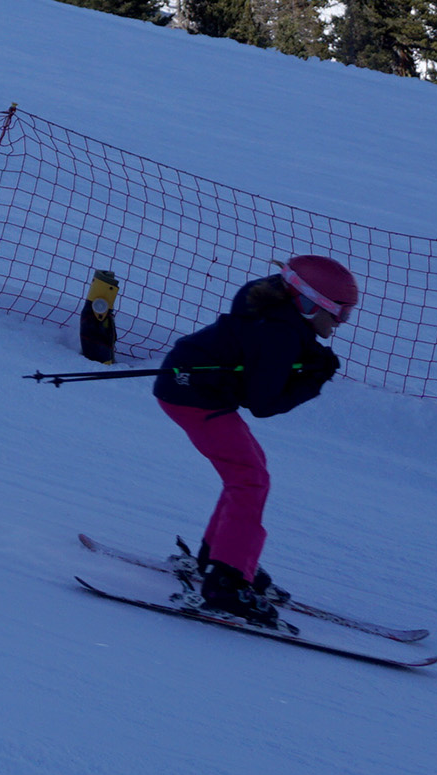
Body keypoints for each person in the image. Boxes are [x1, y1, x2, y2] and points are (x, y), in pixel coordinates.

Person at [151, 255, 354, 627]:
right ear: (311, 304)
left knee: (250, 470)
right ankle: (226, 582)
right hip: (191, 392)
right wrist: (313, 379)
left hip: (191, 386)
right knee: (250, 477)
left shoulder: (280, 316)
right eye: (340, 312)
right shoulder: (278, 332)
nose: (342, 322)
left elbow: (268, 357)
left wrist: (308, 359)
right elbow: (263, 403)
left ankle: (220, 556)